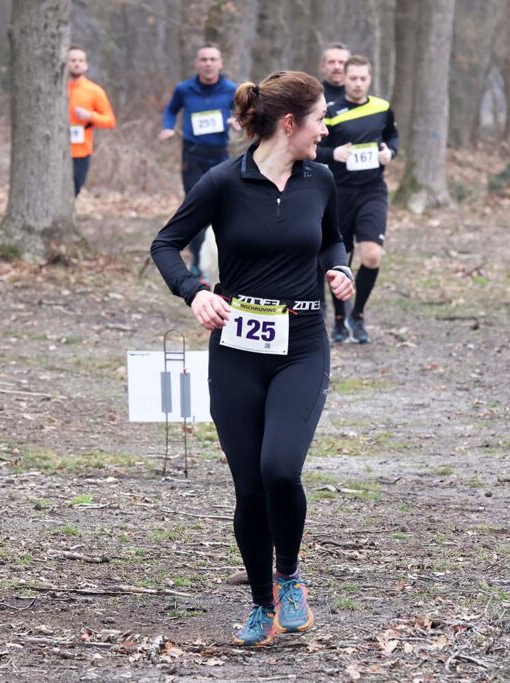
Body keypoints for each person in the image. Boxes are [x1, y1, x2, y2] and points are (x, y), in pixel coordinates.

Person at [150, 70, 356, 647]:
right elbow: (165, 244)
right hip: (237, 348)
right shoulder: (222, 181)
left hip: (302, 344)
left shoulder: (321, 179)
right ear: (289, 123)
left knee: (280, 468)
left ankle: (289, 575)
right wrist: (195, 290)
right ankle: (261, 602)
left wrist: (338, 268)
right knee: (248, 485)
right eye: (319, 118)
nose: (325, 128)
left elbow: (331, 238)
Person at [317, 55, 398, 344]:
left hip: (372, 191)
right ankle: (339, 317)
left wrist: (390, 154)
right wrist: (333, 154)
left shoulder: (382, 108)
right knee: (341, 259)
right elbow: (316, 147)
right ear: (345, 79)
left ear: (370, 79)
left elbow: (392, 138)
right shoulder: (331, 111)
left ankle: (358, 314)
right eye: (353, 78)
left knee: (372, 255)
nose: (358, 83)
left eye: (363, 78)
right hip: (339, 193)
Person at [159, 43, 239, 280]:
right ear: (196, 63)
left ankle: (223, 260)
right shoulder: (185, 89)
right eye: (203, 59)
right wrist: (167, 127)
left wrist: (239, 122)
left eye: (213, 59)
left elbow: (244, 113)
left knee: (223, 210)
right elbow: (170, 110)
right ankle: (195, 261)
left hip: (220, 156)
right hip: (192, 157)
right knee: (197, 208)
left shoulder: (231, 89)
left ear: (220, 63)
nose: (208, 64)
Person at [67, 46, 116, 196]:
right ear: (66, 63)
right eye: (73, 60)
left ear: (86, 65)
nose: (77, 63)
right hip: (55, 150)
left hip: (81, 150)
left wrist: (90, 116)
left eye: (80, 60)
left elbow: (110, 121)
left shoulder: (94, 91)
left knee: (74, 190)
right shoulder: (56, 88)